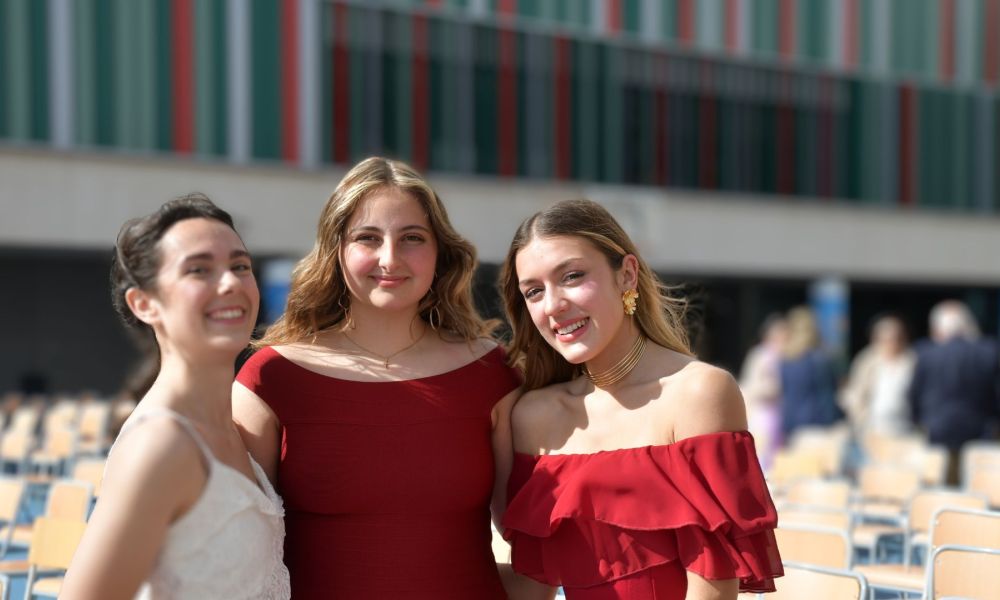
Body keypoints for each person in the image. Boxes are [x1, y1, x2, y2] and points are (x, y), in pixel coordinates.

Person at [232, 157, 521, 599]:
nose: (390, 258)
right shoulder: (271, 378)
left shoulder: (492, 373)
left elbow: (534, 545)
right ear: (336, 250)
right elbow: (238, 554)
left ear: (440, 253)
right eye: (368, 238)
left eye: (412, 238)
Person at [498, 199, 782, 600]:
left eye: (573, 276)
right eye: (534, 291)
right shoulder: (533, 415)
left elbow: (714, 588)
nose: (553, 305)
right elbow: (531, 586)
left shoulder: (698, 393)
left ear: (627, 275)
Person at [62, 195, 290, 599]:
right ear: (144, 304)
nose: (230, 283)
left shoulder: (237, 431)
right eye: (199, 270)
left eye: (240, 266)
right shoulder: (161, 445)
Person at [908, 300, 1000, 484]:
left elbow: (914, 393)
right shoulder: (989, 351)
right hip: (980, 429)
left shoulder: (926, 353)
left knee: (942, 486)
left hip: (937, 429)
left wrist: (917, 421)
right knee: (977, 485)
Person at [839, 314, 915, 437]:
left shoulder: (911, 360)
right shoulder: (867, 361)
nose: (891, 343)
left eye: (896, 338)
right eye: (886, 339)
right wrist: (860, 418)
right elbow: (855, 394)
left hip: (906, 427)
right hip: (873, 428)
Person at [778, 305, 841, 440]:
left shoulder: (786, 359)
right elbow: (829, 394)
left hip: (792, 425)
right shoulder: (820, 358)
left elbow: (785, 394)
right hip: (817, 424)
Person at [738, 313, 788, 469]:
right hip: (762, 411)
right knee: (764, 451)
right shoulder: (760, 355)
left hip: (777, 411)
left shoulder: (783, 354)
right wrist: (773, 388)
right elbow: (751, 384)